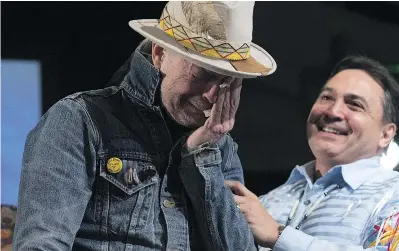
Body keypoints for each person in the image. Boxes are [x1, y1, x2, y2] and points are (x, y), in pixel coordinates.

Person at [13, 1, 276, 251]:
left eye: (227, 83)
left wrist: (203, 153)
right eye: (202, 74)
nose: (211, 95)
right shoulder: (80, 120)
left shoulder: (222, 147)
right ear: (159, 54)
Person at [226, 55, 399, 250]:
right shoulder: (268, 201)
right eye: (326, 98)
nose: (333, 111)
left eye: (354, 105)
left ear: (386, 135)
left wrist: (279, 236)